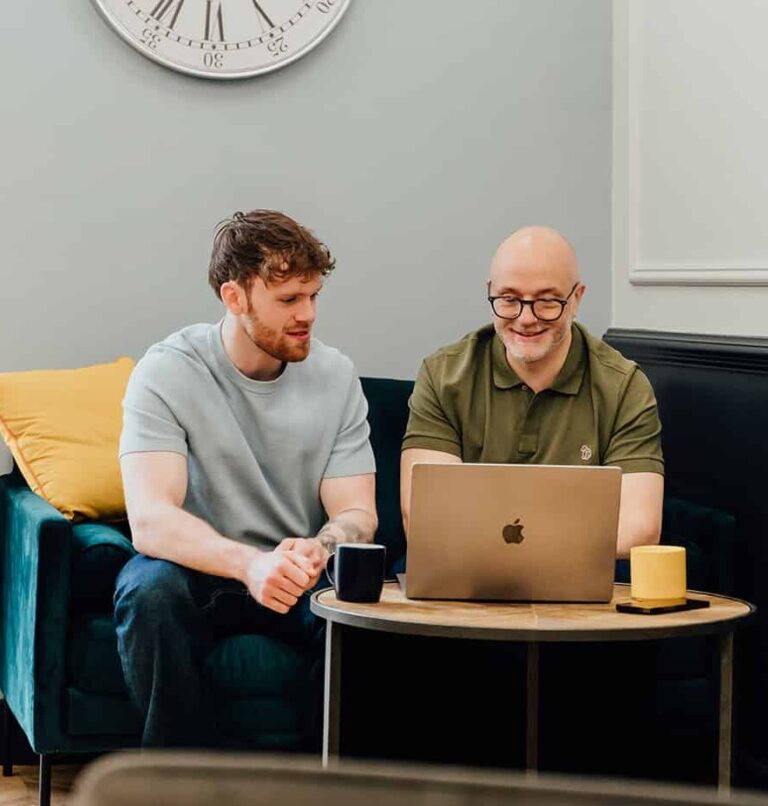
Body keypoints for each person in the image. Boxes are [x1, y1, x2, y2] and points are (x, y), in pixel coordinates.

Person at [114, 209, 377, 748]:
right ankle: (186, 789)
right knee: (149, 594)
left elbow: (358, 513)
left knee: (355, 602)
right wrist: (251, 565)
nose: (307, 314)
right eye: (288, 300)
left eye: (313, 296)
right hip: (201, 569)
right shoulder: (167, 371)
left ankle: (327, 788)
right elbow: (151, 519)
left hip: (300, 570)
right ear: (234, 298)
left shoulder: (335, 376)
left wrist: (319, 548)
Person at [401, 225, 664, 558]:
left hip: (582, 574)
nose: (526, 319)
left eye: (547, 301)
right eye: (509, 300)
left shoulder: (624, 386)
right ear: (490, 292)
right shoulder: (444, 375)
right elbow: (425, 518)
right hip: (468, 567)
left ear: (577, 298)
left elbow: (639, 527)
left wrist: (532, 554)